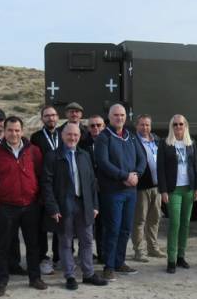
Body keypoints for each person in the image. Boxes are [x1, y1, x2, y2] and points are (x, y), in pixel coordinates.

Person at [0, 116, 47, 297]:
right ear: (5, 131)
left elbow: (41, 177)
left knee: (33, 245)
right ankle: (1, 281)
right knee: (3, 246)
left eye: (17, 130)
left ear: (22, 131)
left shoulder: (34, 151)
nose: (14, 133)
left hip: (30, 206)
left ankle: (35, 278)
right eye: (10, 130)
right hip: (5, 208)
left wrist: (39, 200)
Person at [41, 123, 108, 289]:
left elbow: (92, 183)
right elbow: (46, 184)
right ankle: (70, 276)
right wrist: (53, 208)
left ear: (79, 136)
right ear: (62, 136)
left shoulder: (84, 155)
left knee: (86, 241)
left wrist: (95, 205)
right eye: (69, 135)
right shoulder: (52, 156)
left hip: (84, 205)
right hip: (64, 206)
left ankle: (88, 274)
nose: (72, 138)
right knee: (65, 243)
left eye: (76, 135)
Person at [93, 104, 146, 281]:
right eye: (116, 115)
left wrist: (137, 174)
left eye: (122, 115)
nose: (119, 118)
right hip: (113, 191)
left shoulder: (131, 136)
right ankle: (108, 266)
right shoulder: (104, 137)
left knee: (125, 229)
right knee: (112, 229)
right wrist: (123, 176)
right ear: (109, 117)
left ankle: (119, 261)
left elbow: (142, 158)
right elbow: (103, 162)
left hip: (131, 191)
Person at [157, 114, 197, 273]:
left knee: (186, 224)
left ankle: (181, 257)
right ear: (171, 126)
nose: (178, 127)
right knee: (174, 224)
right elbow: (160, 169)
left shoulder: (191, 144)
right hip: (173, 190)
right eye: (175, 124)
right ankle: (171, 260)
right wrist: (163, 190)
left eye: (181, 124)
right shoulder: (165, 143)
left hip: (188, 189)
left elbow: (195, 167)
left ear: (186, 126)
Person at [30, 105, 62, 274]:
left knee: (60, 222)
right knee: (41, 225)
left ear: (57, 117)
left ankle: (59, 256)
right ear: (42, 118)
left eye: (53, 115)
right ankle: (43, 258)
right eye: (47, 116)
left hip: (61, 187)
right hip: (42, 186)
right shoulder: (36, 137)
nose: (51, 118)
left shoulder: (63, 134)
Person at [132, 114, 165, 262]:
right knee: (140, 220)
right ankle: (139, 251)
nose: (145, 128)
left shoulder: (157, 140)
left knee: (155, 219)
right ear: (136, 126)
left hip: (157, 187)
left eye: (147, 125)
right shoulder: (133, 141)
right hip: (142, 187)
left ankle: (153, 248)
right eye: (142, 125)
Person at [86, 114, 106, 263]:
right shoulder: (82, 144)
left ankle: (103, 253)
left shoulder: (109, 142)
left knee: (103, 224)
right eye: (92, 126)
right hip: (88, 190)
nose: (96, 128)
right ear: (88, 128)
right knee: (87, 224)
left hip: (106, 189)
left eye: (99, 125)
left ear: (103, 127)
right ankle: (86, 255)